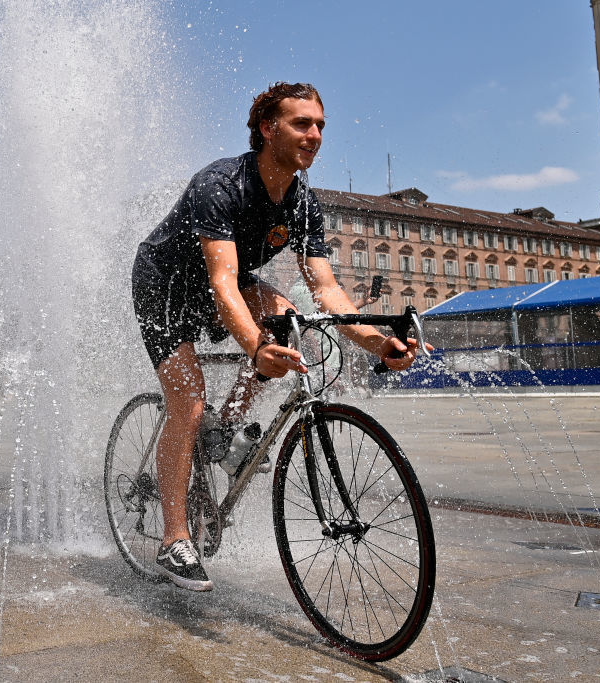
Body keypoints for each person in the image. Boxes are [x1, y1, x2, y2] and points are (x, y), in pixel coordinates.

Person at [131, 82, 427, 592]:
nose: (314, 136)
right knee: (188, 400)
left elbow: (327, 289)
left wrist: (380, 343)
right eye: (301, 124)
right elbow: (222, 281)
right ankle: (174, 539)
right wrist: (256, 347)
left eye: (320, 127)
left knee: (290, 314)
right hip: (166, 284)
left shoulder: (303, 202)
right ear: (268, 128)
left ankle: (225, 427)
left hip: (224, 284)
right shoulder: (221, 184)